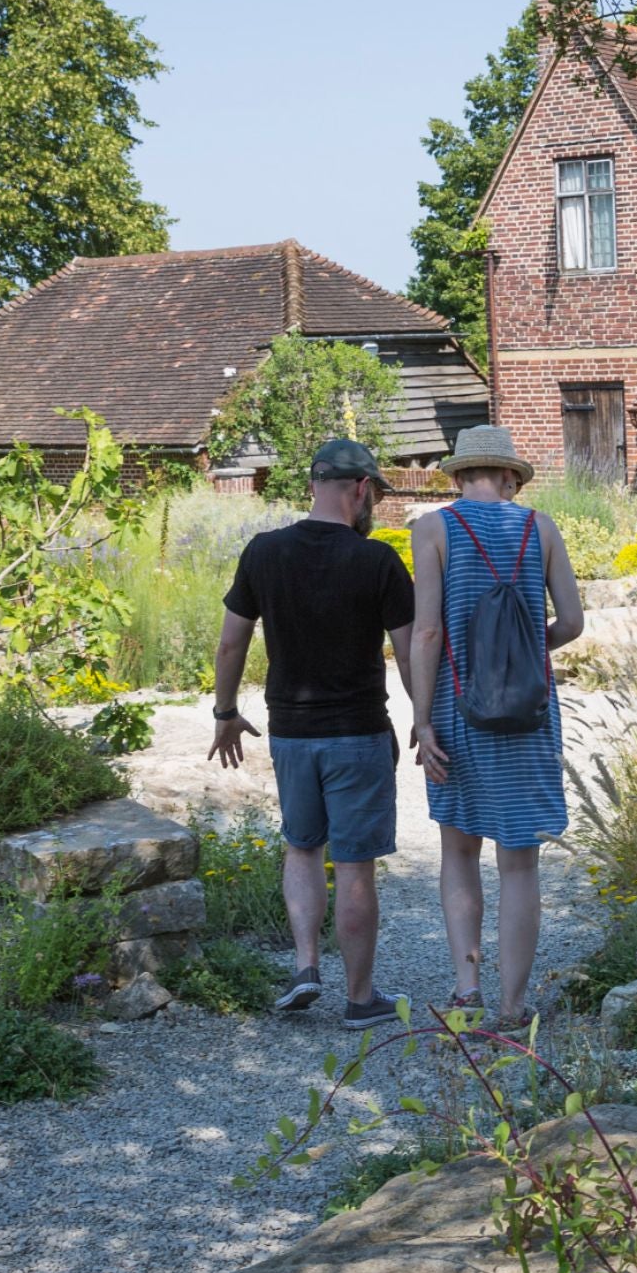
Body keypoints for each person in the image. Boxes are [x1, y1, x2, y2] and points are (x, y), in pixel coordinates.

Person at [210, 438, 415, 1030]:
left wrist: (226, 712)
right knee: (353, 864)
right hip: (358, 732)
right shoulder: (378, 562)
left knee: (302, 846)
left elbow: (231, 641)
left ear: (314, 484)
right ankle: (359, 999)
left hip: (291, 733)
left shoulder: (264, 552)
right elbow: (408, 655)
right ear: (360, 489)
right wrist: (424, 720)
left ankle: (304, 967)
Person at [407, 425, 585, 1028]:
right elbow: (573, 622)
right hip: (530, 715)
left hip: (460, 711)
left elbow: (426, 631)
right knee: (520, 863)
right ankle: (513, 1006)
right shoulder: (541, 528)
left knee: (458, 850)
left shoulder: (433, 528)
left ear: (457, 477)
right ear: (510, 477)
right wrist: (527, 653)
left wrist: (422, 717)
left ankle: (467, 990)